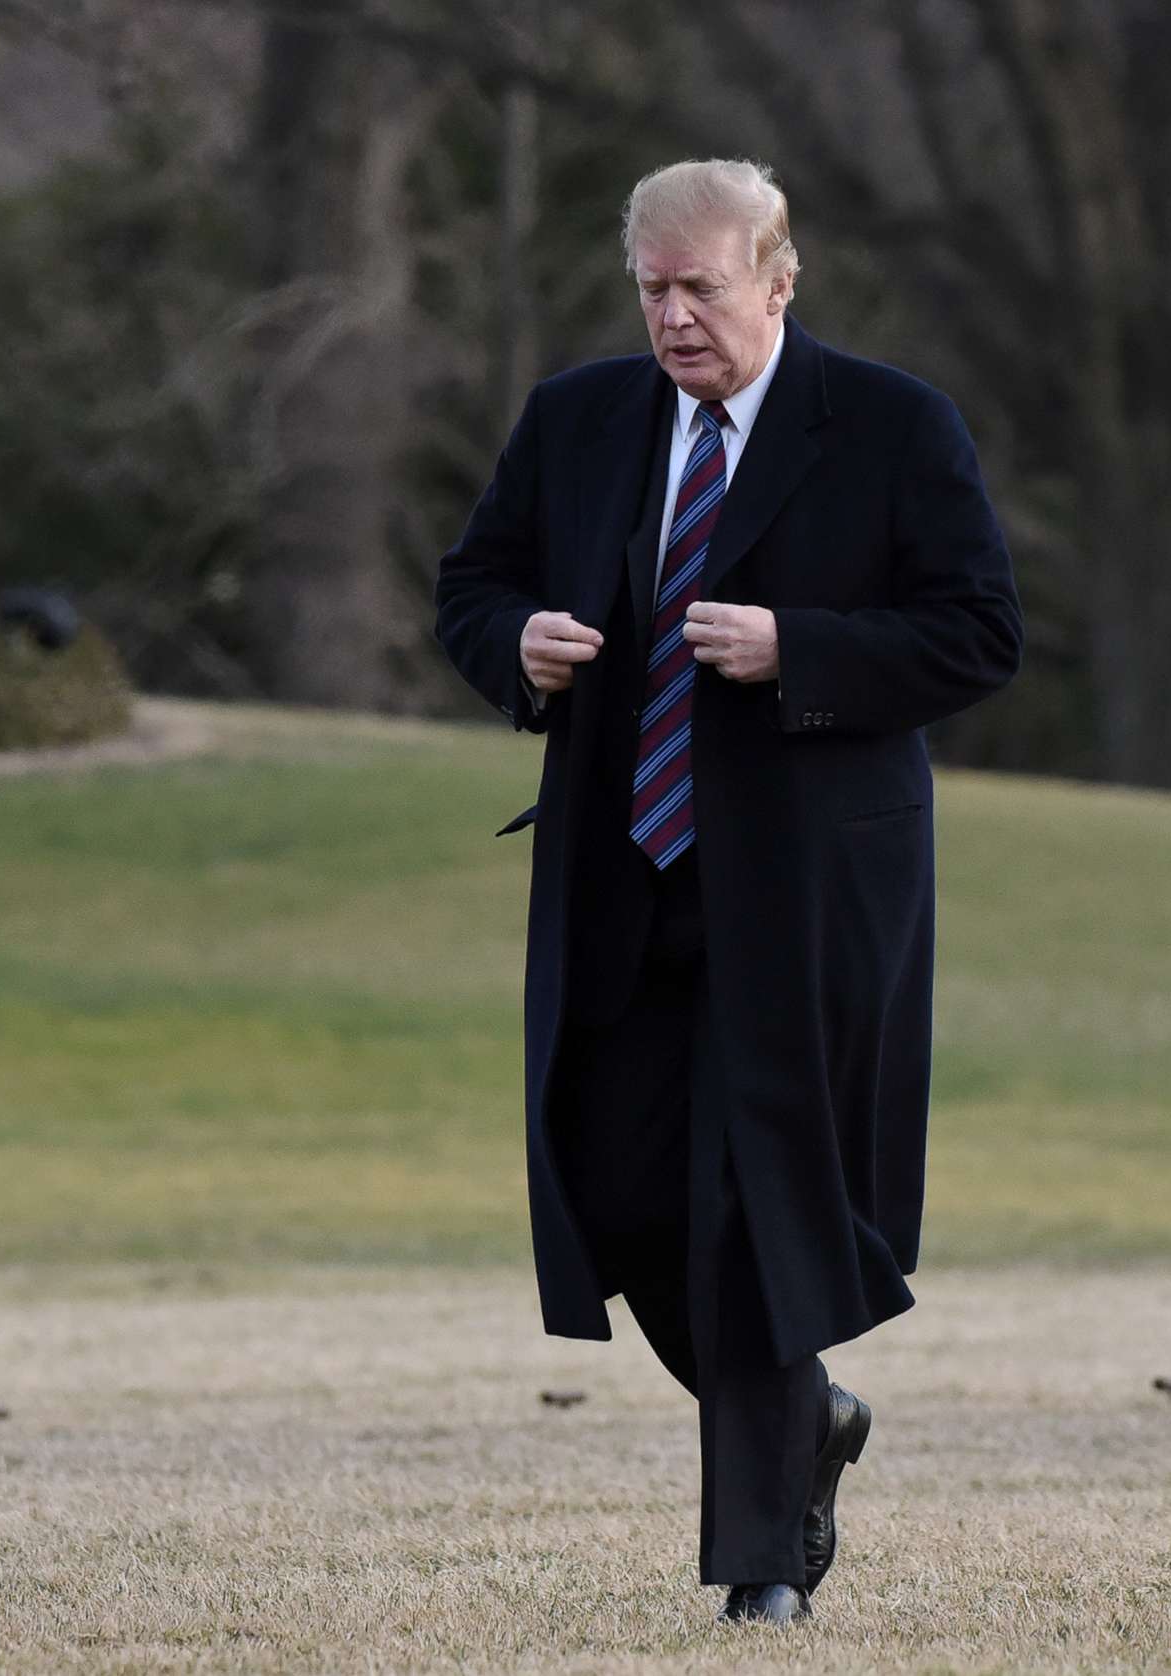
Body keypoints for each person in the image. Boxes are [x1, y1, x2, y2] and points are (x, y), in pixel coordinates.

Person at [432, 157, 1023, 1626]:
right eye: (653, 289)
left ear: (779, 276)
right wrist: (521, 645)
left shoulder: (889, 425)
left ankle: (764, 1568)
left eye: (703, 285)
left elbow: (978, 633)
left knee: (755, 1220)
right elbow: (472, 582)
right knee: (621, 1200)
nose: (677, 316)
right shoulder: (577, 421)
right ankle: (807, 1416)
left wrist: (801, 651)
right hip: (620, 882)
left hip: (808, 894)